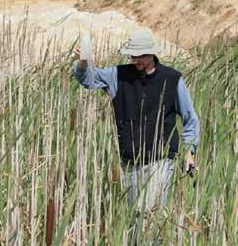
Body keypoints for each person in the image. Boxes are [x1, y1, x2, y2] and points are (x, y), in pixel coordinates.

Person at [73, 28, 200, 214]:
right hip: (130, 161)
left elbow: (191, 119)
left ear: (152, 54)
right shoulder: (117, 75)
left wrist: (190, 151)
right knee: (135, 217)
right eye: (132, 55)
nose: (135, 60)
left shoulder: (172, 79)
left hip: (161, 160)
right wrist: (83, 63)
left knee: (153, 216)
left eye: (140, 56)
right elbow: (88, 79)